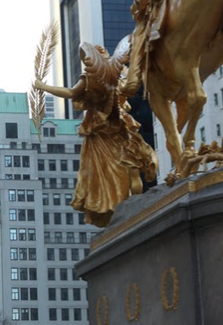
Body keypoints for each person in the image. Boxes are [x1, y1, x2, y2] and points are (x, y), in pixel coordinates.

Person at [33, 41, 158, 227]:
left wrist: (43, 86)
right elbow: (129, 89)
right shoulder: (118, 73)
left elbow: (71, 92)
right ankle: (135, 208)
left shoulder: (92, 77)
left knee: (119, 173)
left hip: (102, 133)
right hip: (120, 127)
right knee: (129, 168)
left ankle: (131, 210)